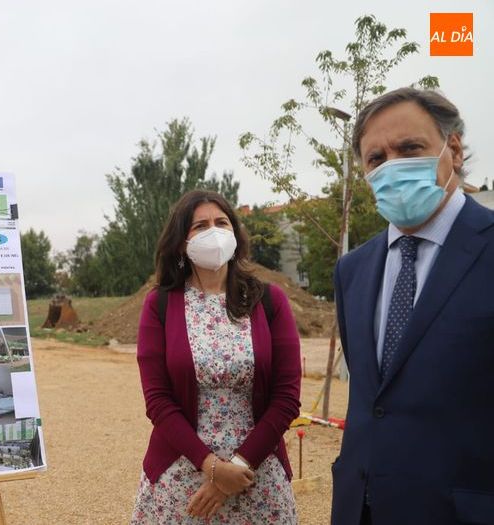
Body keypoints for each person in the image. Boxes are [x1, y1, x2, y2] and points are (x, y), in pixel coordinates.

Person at [331, 88, 494, 524]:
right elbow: (374, 398)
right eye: (376, 158)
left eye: (409, 148)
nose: (393, 166)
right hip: (359, 508)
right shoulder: (352, 270)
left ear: (453, 149)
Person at [131, 190, 301, 524]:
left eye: (222, 222)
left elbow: (287, 398)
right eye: (200, 225)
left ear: (235, 234)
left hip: (257, 475)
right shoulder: (160, 305)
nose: (214, 231)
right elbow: (158, 402)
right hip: (182, 477)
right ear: (182, 242)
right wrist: (212, 468)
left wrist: (235, 470)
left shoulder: (269, 301)